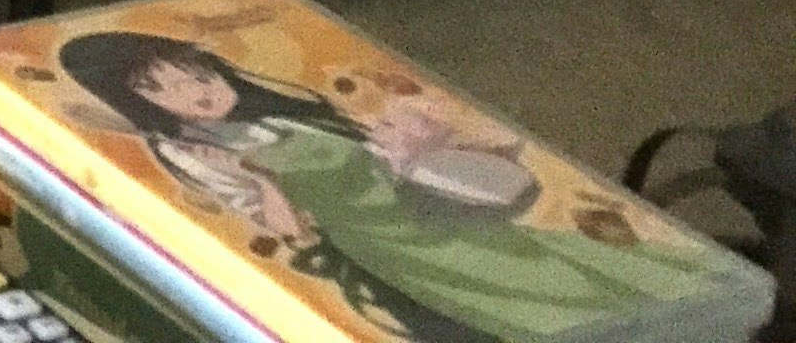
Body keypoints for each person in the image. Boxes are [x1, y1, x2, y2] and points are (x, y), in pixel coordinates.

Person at [60, 31, 738, 343]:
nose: (196, 92)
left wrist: (418, 145)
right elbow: (284, 230)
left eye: (196, 74)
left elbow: (376, 147)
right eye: (167, 90)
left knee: (575, 272)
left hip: (431, 211)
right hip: (386, 249)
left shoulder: (284, 108)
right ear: (147, 105)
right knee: (498, 307)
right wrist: (266, 183)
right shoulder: (201, 150)